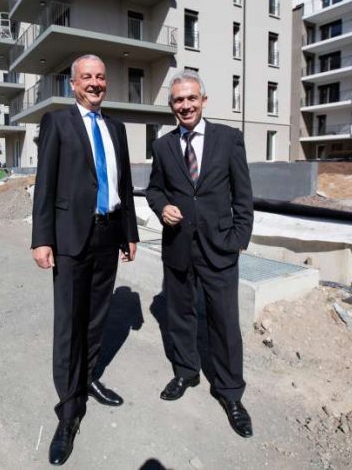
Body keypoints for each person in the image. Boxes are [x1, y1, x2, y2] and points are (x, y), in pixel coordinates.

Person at [31, 54, 139, 465]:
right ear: (73, 83)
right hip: (71, 237)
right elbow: (45, 183)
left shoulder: (116, 127)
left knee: (97, 317)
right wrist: (42, 239)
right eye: (86, 77)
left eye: (100, 77)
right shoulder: (58, 123)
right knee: (69, 325)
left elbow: (124, 184)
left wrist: (128, 231)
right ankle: (69, 409)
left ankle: (89, 377)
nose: (95, 83)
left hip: (108, 232)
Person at [146, 70, 254, 438]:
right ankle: (186, 372)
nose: (186, 105)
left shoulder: (229, 139)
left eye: (192, 98)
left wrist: (240, 236)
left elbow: (243, 194)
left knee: (224, 322)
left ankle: (230, 394)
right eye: (179, 100)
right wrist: (161, 207)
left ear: (203, 101)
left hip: (219, 246)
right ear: (172, 105)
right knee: (180, 315)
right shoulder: (162, 146)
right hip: (178, 246)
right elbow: (154, 190)